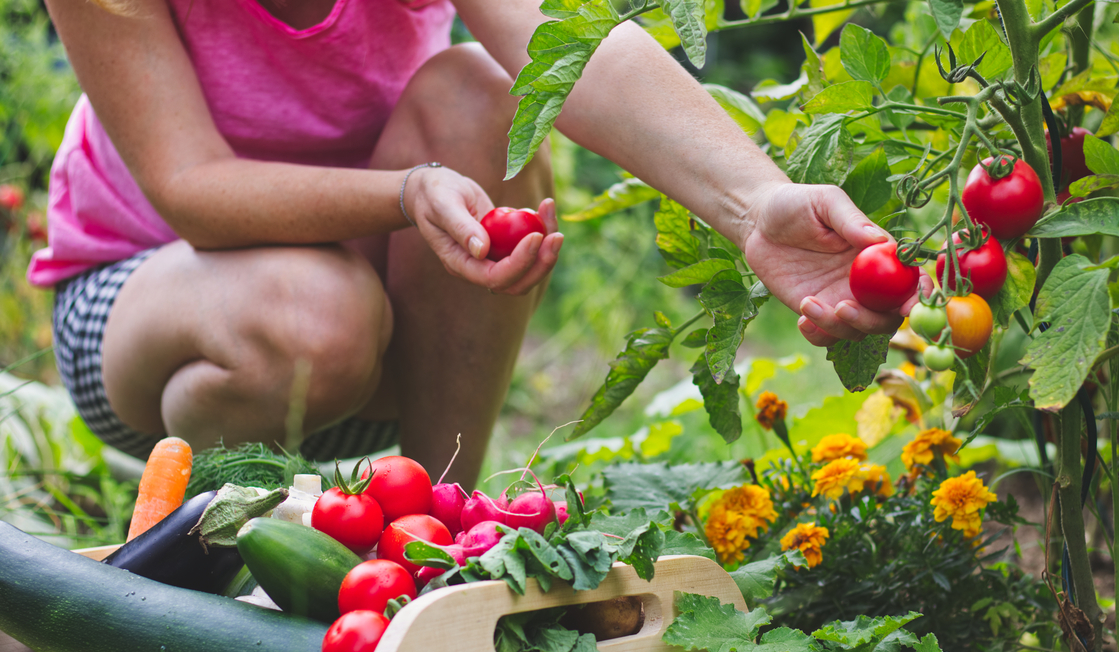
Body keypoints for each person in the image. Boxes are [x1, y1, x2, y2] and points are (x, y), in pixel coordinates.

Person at [32, 0, 919, 489]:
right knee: (308, 315)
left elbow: (574, 55)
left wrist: (755, 198)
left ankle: (438, 517)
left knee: (484, 91)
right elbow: (194, 192)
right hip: (156, 316)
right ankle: (214, 538)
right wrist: (408, 192)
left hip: (391, 323)